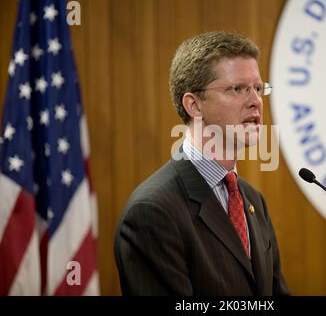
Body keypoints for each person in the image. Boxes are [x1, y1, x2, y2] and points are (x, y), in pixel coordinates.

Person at [114, 31, 289, 295]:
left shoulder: (253, 201)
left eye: (258, 88)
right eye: (237, 89)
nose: (255, 101)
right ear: (194, 105)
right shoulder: (151, 212)